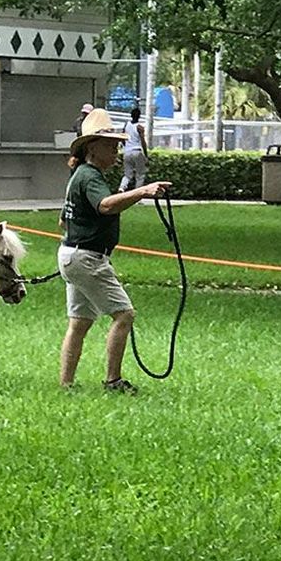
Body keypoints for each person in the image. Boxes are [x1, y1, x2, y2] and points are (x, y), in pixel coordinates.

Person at [57, 107, 171, 394]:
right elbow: (105, 206)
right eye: (110, 146)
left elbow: (63, 221)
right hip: (88, 258)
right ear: (92, 148)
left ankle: (66, 383)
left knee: (79, 322)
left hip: (71, 254)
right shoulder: (90, 177)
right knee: (124, 315)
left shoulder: (80, 175)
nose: (116, 152)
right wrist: (142, 191)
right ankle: (113, 380)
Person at [118, 106, 149, 192]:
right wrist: (146, 155)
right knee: (140, 174)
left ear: (131, 115)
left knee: (127, 174)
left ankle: (122, 187)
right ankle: (137, 192)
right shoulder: (140, 127)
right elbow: (143, 142)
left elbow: (122, 137)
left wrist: (126, 146)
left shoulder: (126, 125)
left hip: (127, 152)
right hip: (137, 151)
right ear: (139, 116)